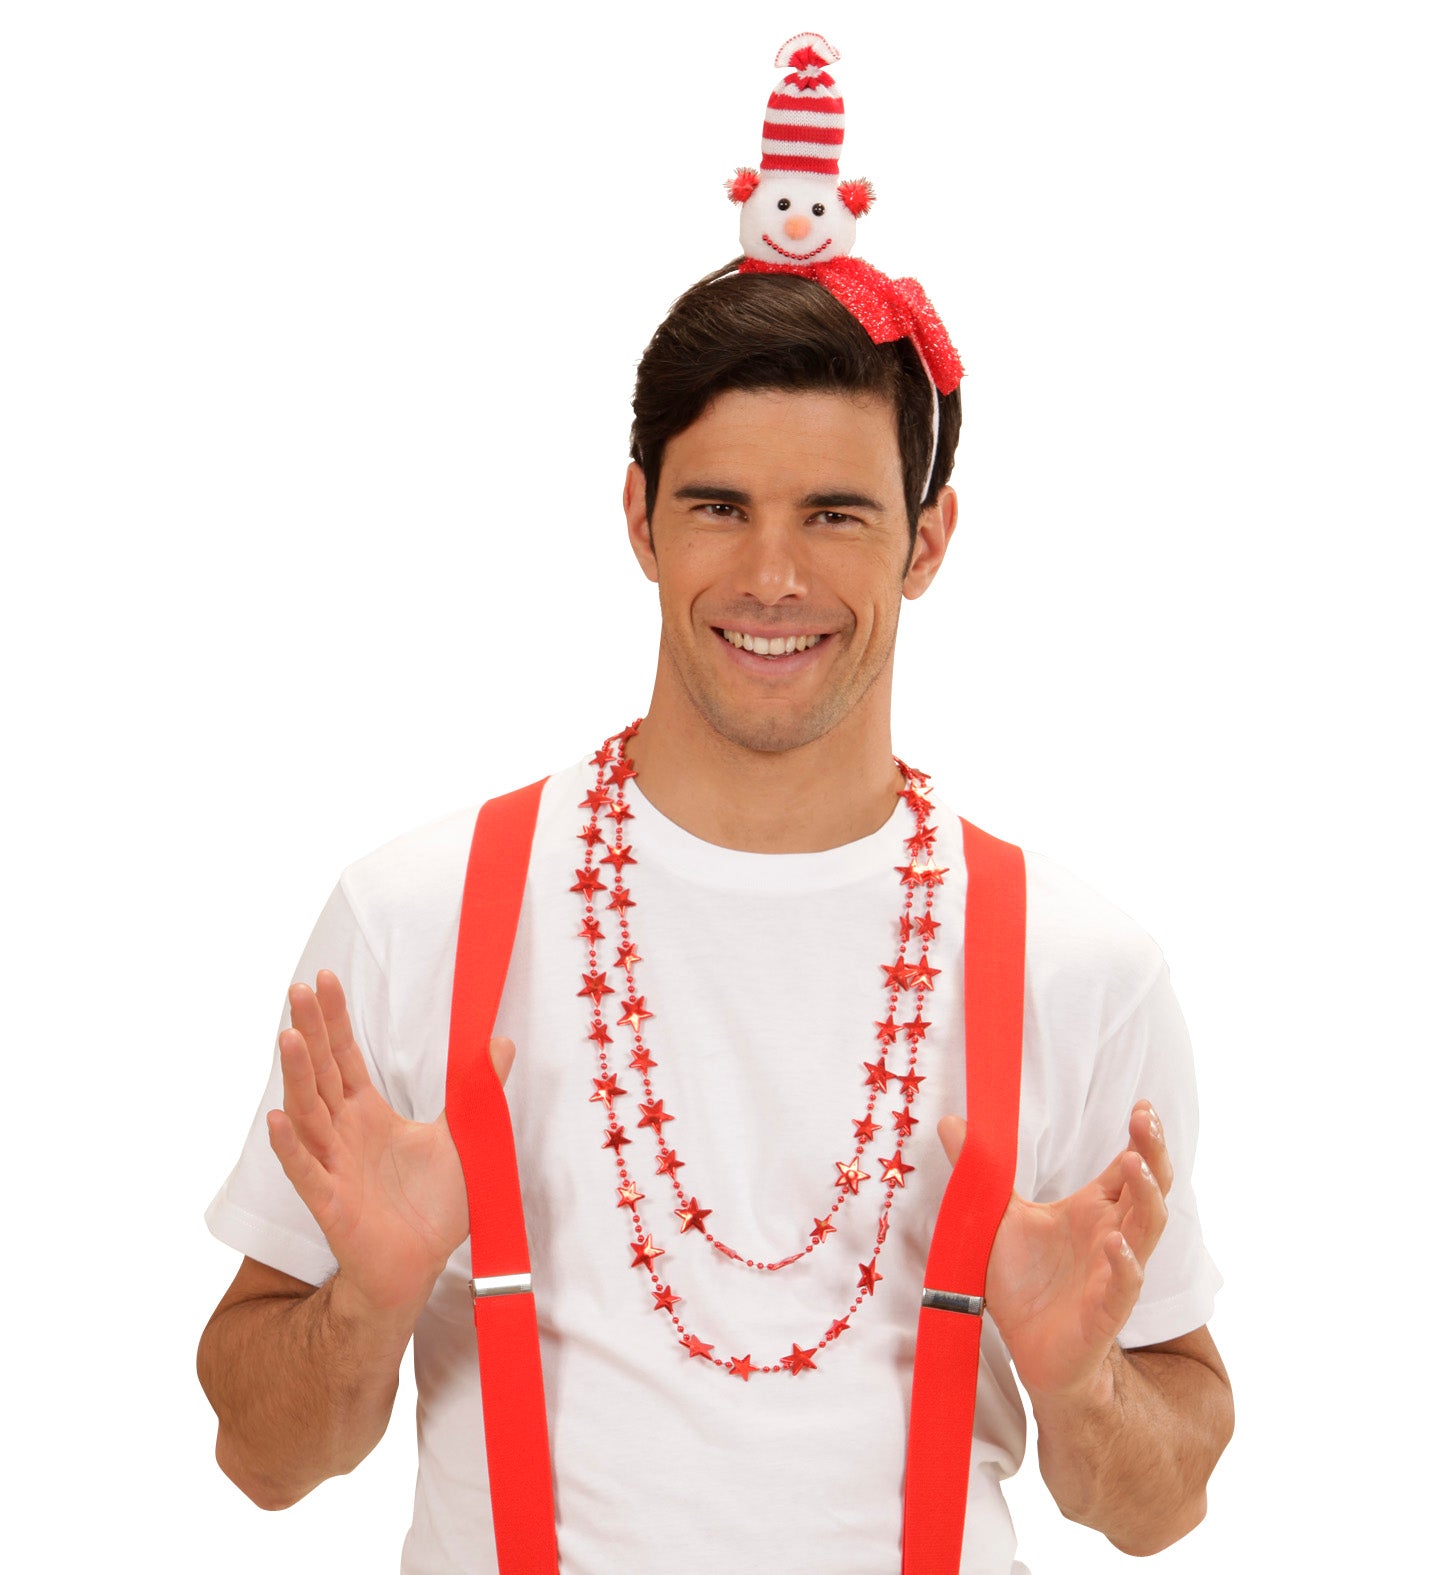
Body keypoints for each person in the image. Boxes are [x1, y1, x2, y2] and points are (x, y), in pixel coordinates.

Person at [198, 36, 1232, 1575]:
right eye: (717, 506)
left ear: (927, 540)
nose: (771, 576)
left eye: (836, 514)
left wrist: (1080, 1381)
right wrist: (368, 1296)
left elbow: (1159, 1503)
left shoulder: (1077, 967)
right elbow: (261, 1457)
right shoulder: (419, 915)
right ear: (638, 518)